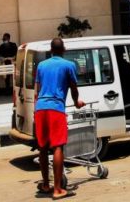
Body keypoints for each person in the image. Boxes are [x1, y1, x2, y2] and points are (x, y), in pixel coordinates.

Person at [35, 38, 85, 200]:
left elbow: (37, 90)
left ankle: (45, 185)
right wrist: (77, 102)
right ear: (63, 49)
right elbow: (74, 89)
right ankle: (57, 189)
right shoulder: (68, 65)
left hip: (40, 107)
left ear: (51, 50)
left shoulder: (41, 65)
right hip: (56, 108)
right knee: (57, 146)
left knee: (43, 147)